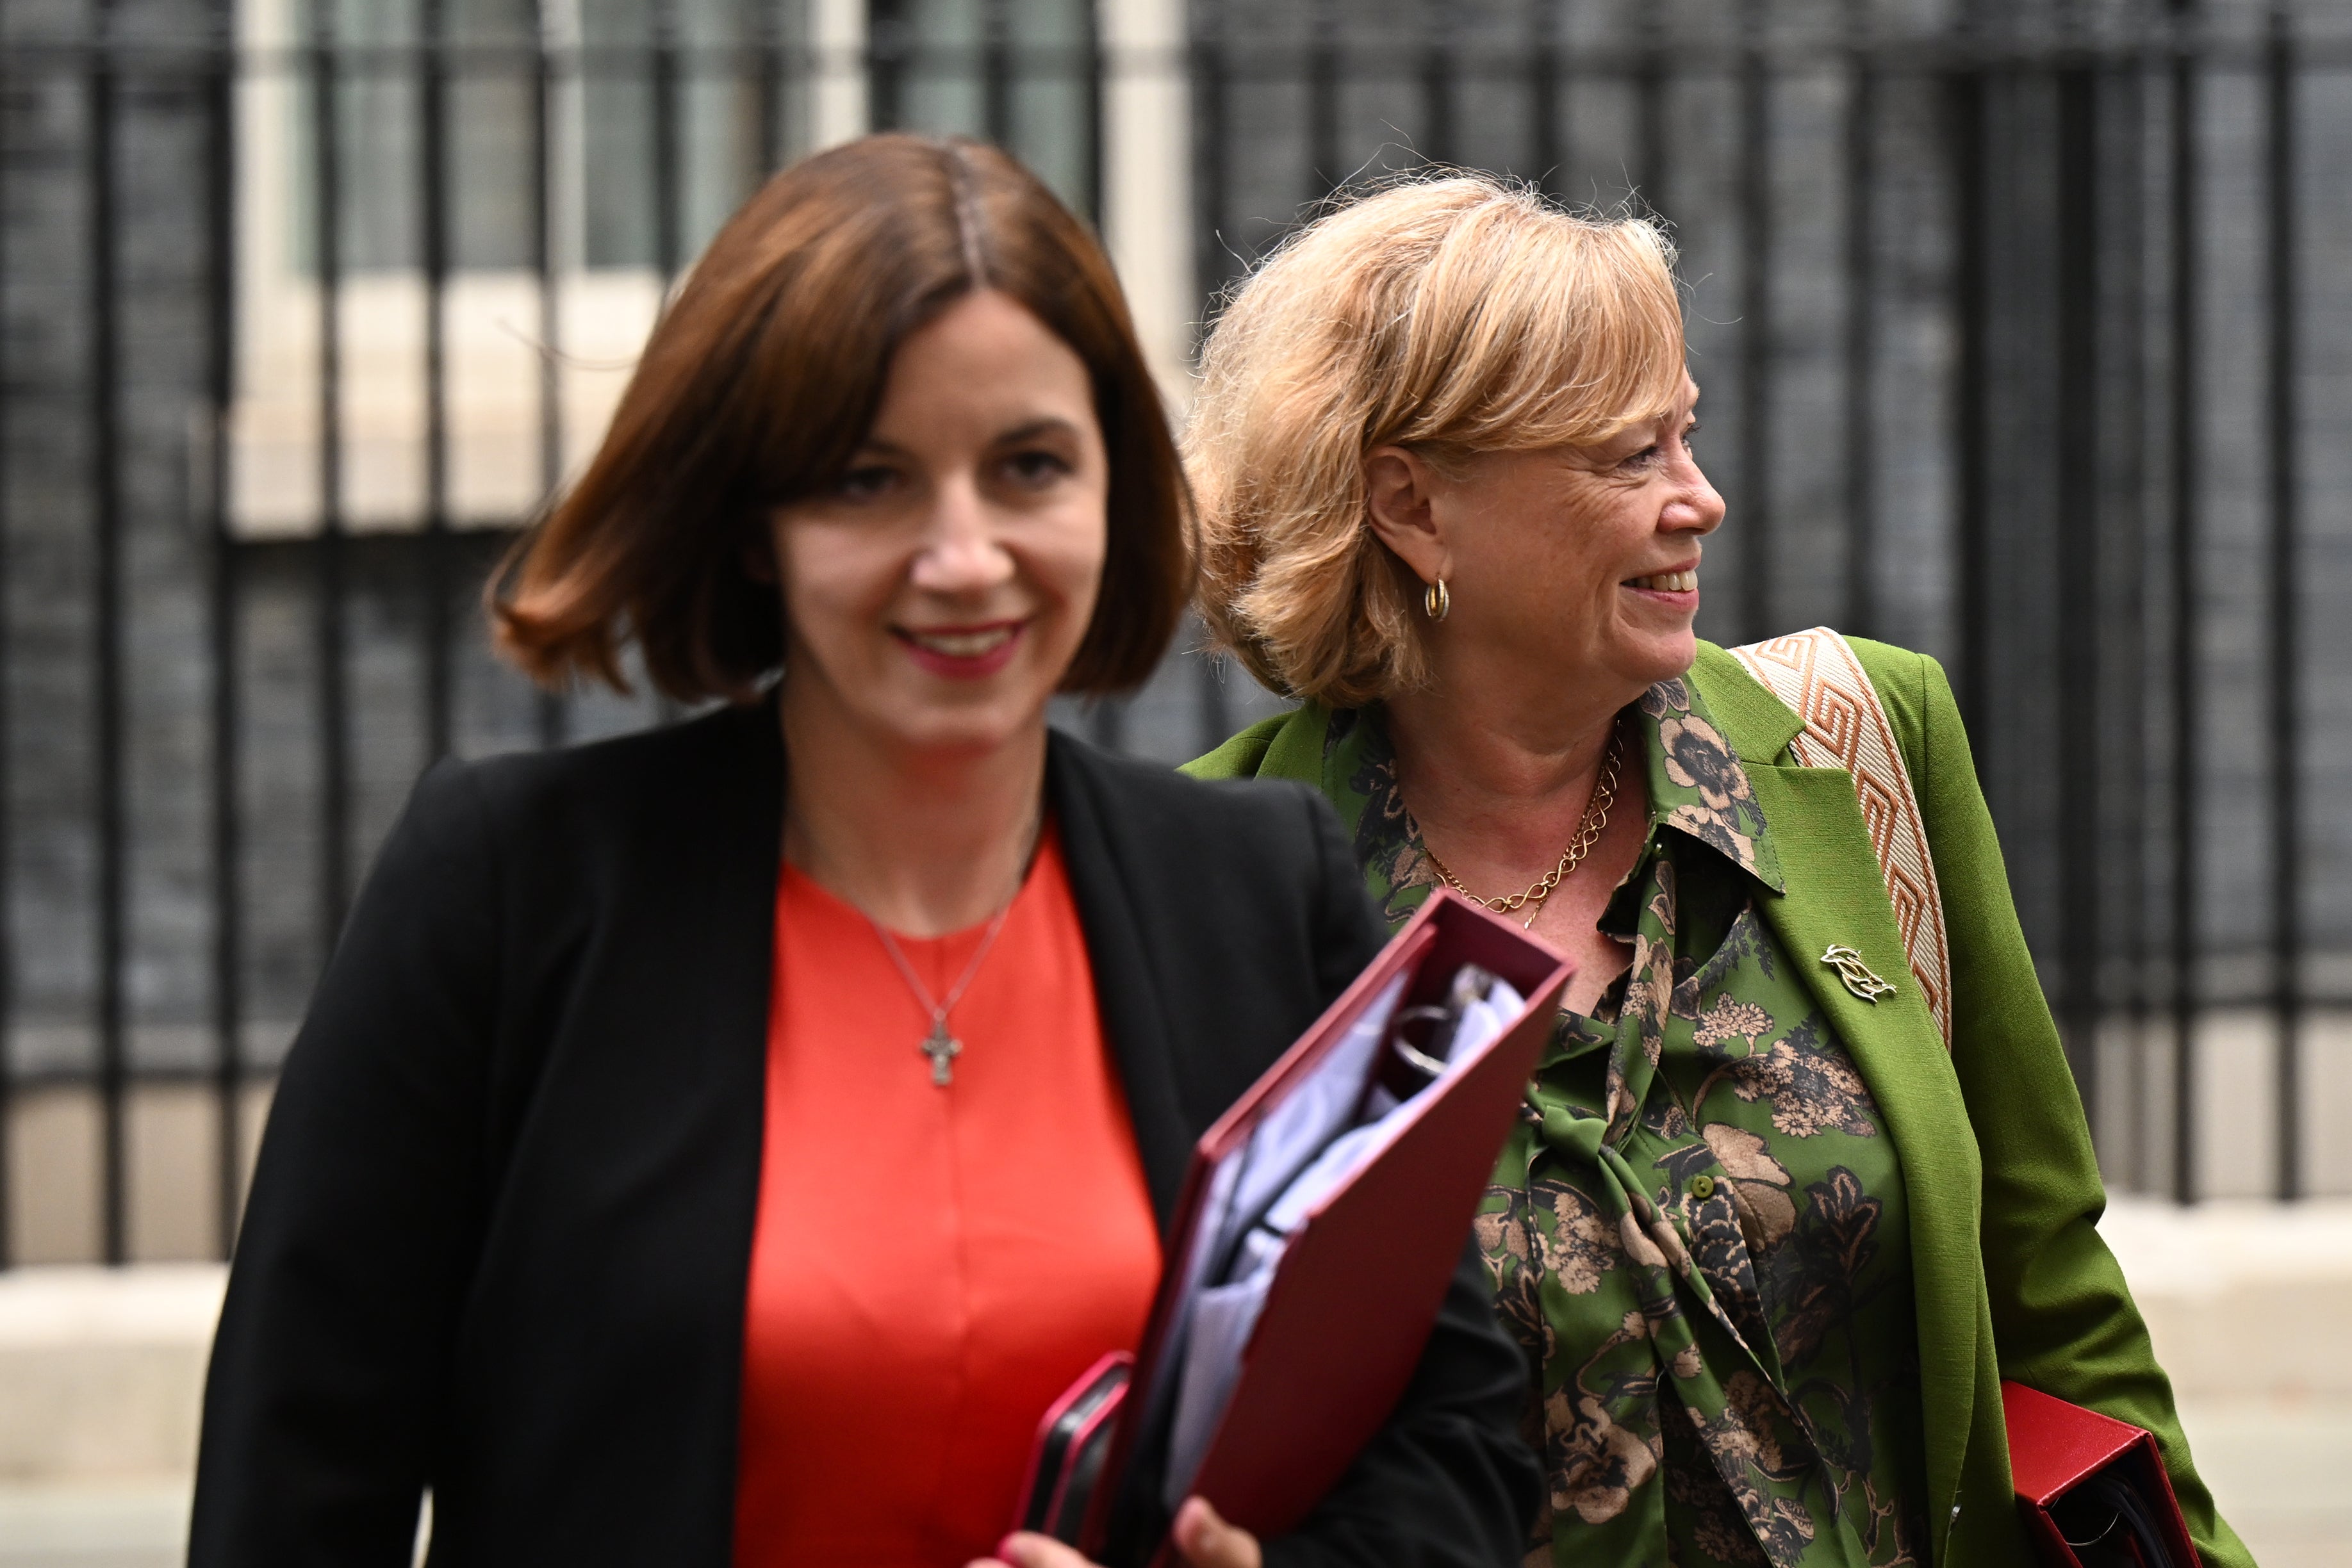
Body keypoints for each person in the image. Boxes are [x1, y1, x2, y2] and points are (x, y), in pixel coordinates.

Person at [186, 136, 1537, 1568]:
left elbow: (1453, 1444)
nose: (963, 557)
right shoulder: (508, 897)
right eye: (866, 481)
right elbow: (294, 1492)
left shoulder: (1262, 892)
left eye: (1028, 466)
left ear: (1111, 487)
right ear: (754, 522)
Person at [1181, 175, 2251, 1568]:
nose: (1703, 500)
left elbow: (2048, 1294)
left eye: (1685, 434)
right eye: (1628, 458)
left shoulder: (1861, 752)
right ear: (1413, 507)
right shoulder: (1217, 882)